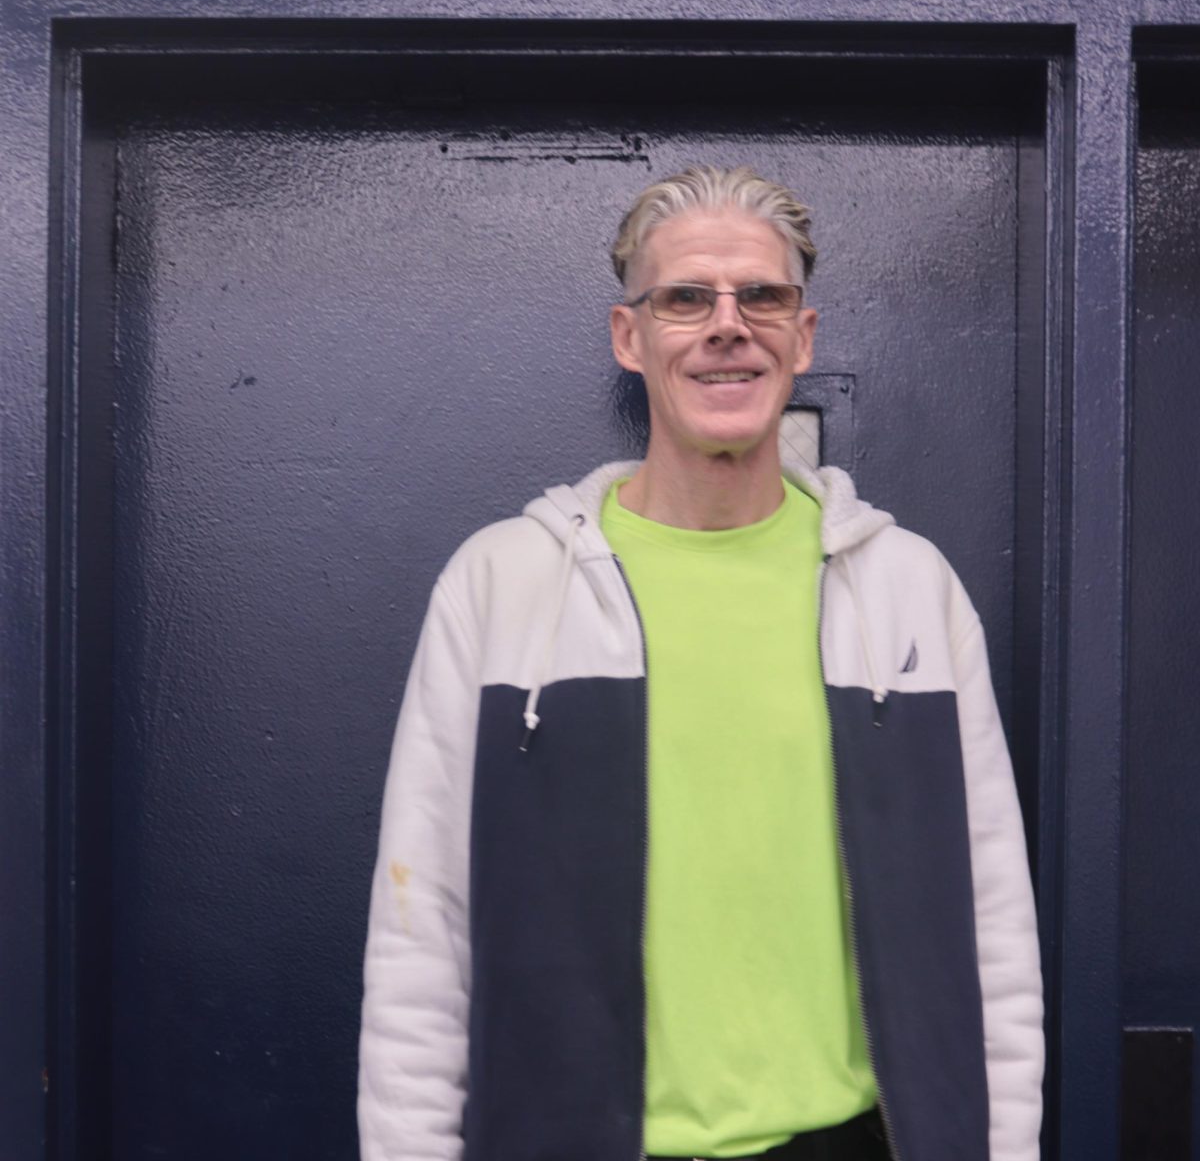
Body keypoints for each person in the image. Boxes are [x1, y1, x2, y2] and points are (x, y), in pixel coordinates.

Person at [358, 165, 1044, 1161]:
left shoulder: (908, 590)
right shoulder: (501, 586)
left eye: (761, 295)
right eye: (687, 298)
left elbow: (993, 934)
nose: (729, 324)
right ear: (629, 337)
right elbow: (423, 938)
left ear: (801, 337)